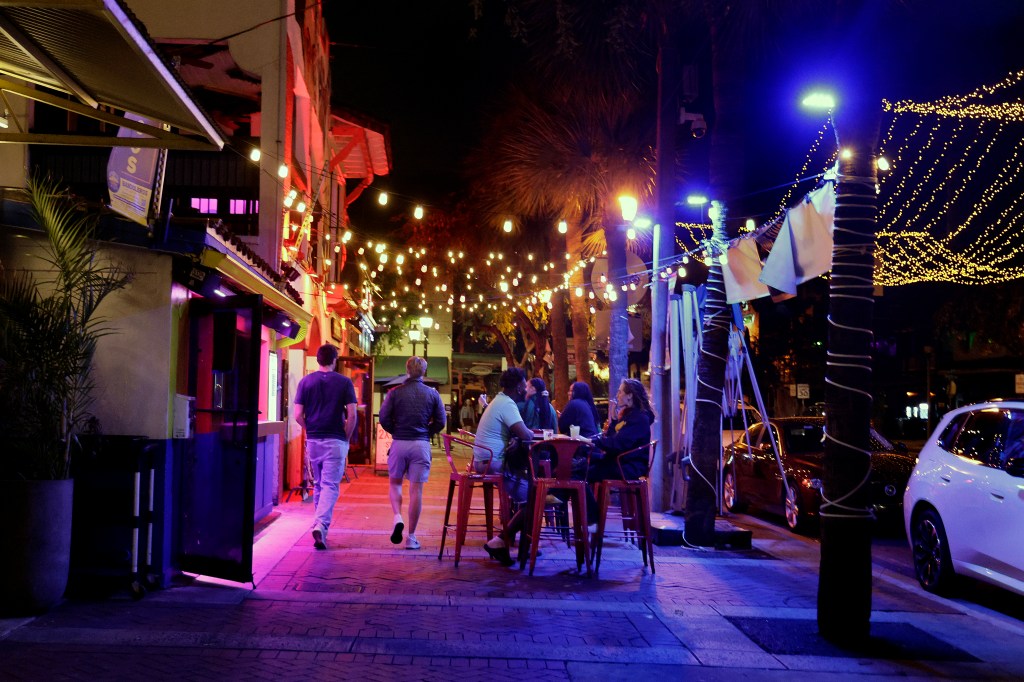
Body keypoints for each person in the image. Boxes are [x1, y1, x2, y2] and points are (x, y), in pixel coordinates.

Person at [294, 344, 358, 550]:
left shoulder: (305, 382)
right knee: (330, 485)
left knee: (320, 484)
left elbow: (297, 415)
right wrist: (346, 438)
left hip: (314, 440)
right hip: (335, 440)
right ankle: (321, 524)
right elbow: (352, 415)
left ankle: (319, 529)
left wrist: (309, 428)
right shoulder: (344, 382)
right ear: (334, 360)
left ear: (318, 359)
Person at [378, 356, 446, 550]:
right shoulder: (432, 395)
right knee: (416, 490)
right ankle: (412, 537)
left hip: (400, 443)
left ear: (407, 370)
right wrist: (427, 432)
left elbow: (384, 418)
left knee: (395, 483)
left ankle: (397, 517)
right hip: (421, 444)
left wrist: (396, 431)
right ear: (424, 372)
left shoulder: (394, 393)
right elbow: (441, 421)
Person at [474, 368, 534, 567]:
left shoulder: (498, 401)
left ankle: (505, 542)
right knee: (535, 498)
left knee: (531, 496)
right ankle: (505, 543)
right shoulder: (507, 404)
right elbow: (526, 435)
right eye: (525, 384)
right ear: (518, 386)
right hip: (493, 464)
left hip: (485, 461)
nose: (526, 389)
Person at [584, 378, 655, 526]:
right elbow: (611, 439)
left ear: (630, 396)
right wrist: (614, 419)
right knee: (579, 467)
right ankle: (590, 518)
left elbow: (617, 444)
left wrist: (591, 442)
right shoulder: (629, 415)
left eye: (620, 391)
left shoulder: (639, 418)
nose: (617, 395)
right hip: (621, 461)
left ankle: (593, 519)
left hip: (627, 466)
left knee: (580, 474)